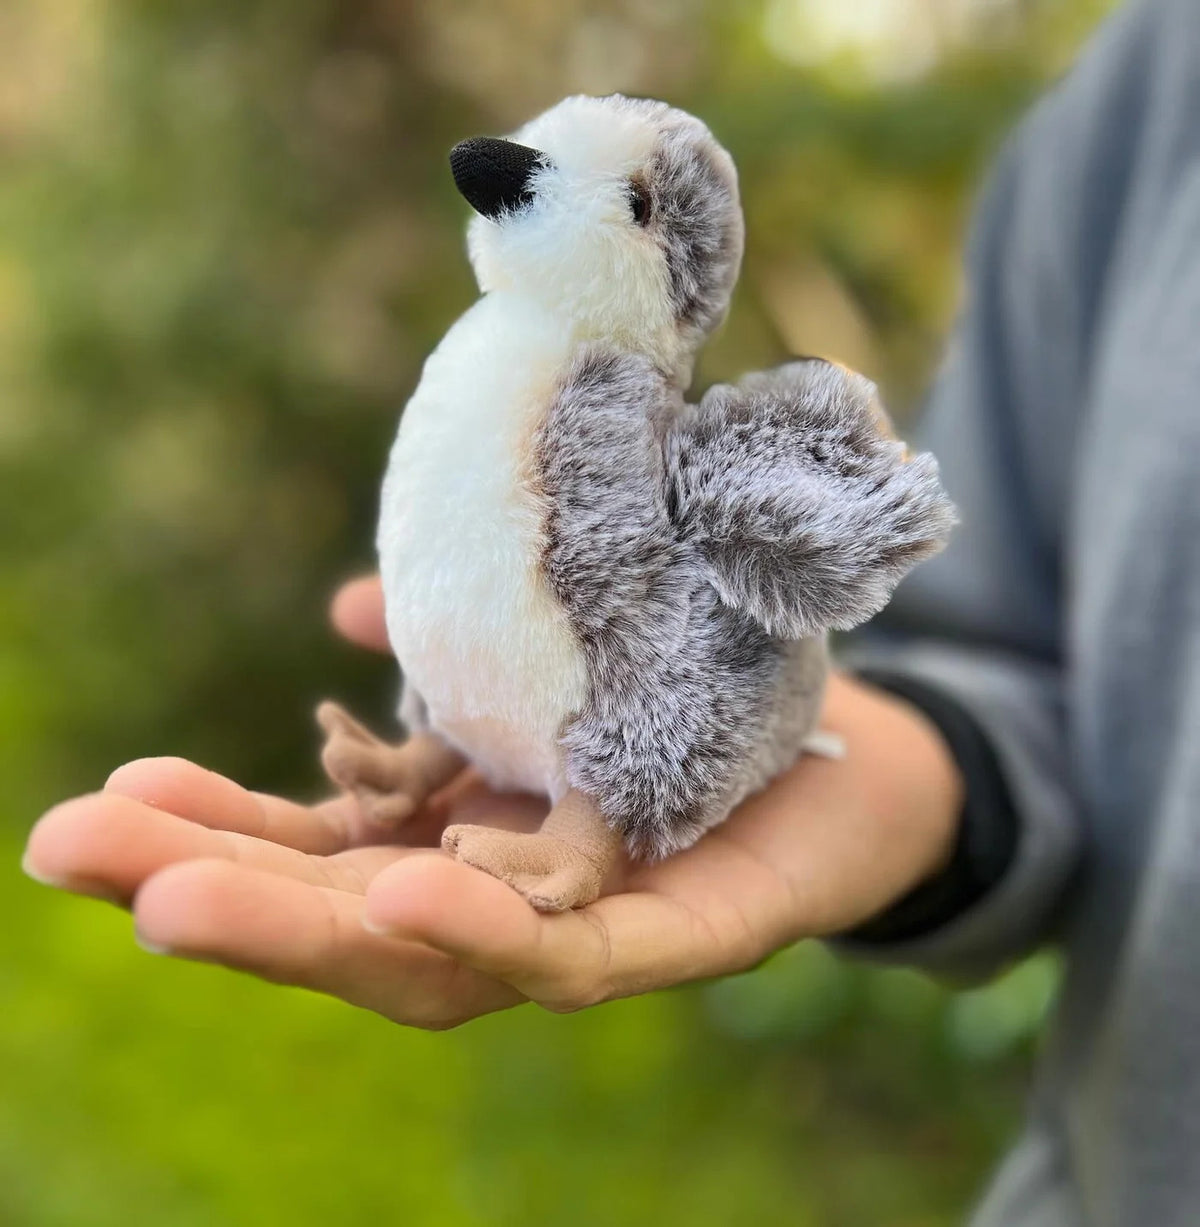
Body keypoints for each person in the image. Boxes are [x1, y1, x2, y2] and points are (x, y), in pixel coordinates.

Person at [22, 0, 1200, 1221]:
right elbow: (1007, 648)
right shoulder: (1152, 87)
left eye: (623, 201)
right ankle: (433, 758)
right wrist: (947, 764)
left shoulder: (599, 411)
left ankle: (584, 834)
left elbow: (628, 628)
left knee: (623, 618)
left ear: (668, 263)